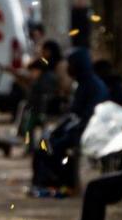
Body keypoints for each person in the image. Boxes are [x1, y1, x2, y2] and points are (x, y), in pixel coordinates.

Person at [30, 48, 109, 196]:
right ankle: (44, 182)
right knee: (45, 144)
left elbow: (89, 116)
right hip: (78, 129)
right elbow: (73, 114)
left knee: (55, 147)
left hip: (88, 131)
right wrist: (58, 130)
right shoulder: (83, 84)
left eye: (71, 64)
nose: (68, 69)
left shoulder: (93, 85)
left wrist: (66, 131)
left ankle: (58, 182)